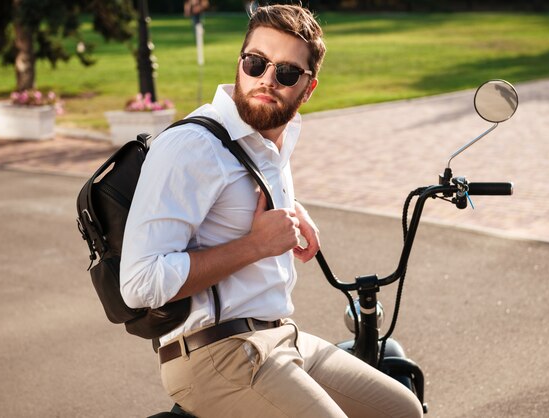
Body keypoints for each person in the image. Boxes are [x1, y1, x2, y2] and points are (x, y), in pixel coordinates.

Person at [120, 4, 423, 417]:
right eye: (256, 63)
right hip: (215, 354)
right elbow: (140, 284)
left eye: (285, 73)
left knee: (402, 409)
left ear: (307, 87)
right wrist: (256, 246)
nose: (266, 80)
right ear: (240, 62)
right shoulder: (192, 146)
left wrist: (292, 207)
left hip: (280, 337)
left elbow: (233, 193)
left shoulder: (269, 136)